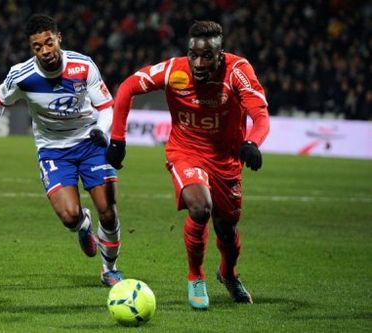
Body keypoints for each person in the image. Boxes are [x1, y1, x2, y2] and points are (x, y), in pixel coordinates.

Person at [106, 20, 270, 309]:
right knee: (200, 206)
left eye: (207, 56)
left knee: (227, 230)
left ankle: (228, 274)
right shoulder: (174, 70)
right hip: (186, 152)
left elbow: (260, 114)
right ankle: (196, 277)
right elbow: (128, 86)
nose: (198, 62)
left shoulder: (237, 72)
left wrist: (252, 143)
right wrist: (117, 140)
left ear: (220, 55)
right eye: (193, 54)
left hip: (226, 160)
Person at [0, 14, 123, 287]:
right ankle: (83, 225)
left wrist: (101, 130)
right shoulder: (22, 75)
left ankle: (109, 268)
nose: (45, 51)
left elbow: (106, 106)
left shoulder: (83, 66)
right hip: (53, 150)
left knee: (107, 211)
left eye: (48, 43)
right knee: (69, 216)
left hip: (90, 143)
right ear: (31, 48)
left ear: (58, 38)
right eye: (37, 47)